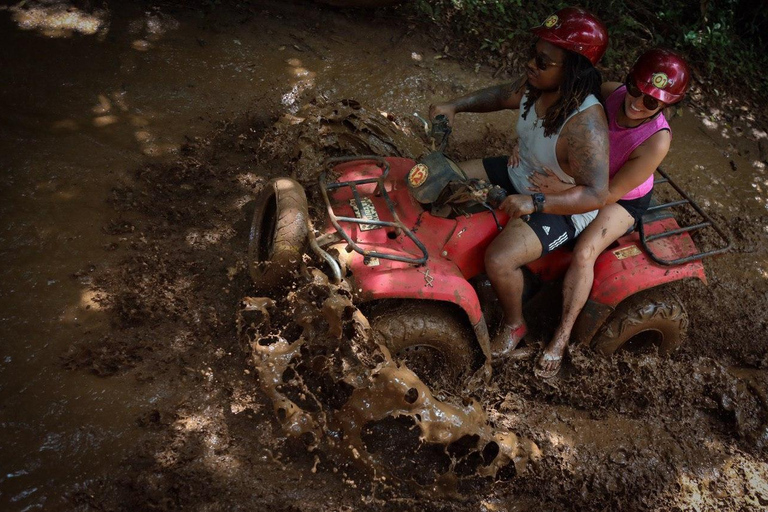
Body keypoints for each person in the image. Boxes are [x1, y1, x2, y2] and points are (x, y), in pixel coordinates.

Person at [429, 7, 610, 360]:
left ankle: (515, 324)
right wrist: (453, 106)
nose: (531, 65)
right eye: (533, 55)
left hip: (560, 203)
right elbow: (499, 96)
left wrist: (535, 203)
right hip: (520, 173)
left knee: (498, 258)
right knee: (441, 177)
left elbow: (596, 194)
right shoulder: (535, 86)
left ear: (571, 70)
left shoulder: (585, 125)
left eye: (543, 62)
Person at [532, 48, 692, 378]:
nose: (636, 102)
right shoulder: (612, 92)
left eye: (651, 102)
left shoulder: (657, 141)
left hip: (620, 196)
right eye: (635, 89)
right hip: (587, 174)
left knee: (584, 252)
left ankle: (560, 338)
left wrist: (559, 189)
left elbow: (608, 194)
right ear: (629, 81)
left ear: (666, 106)